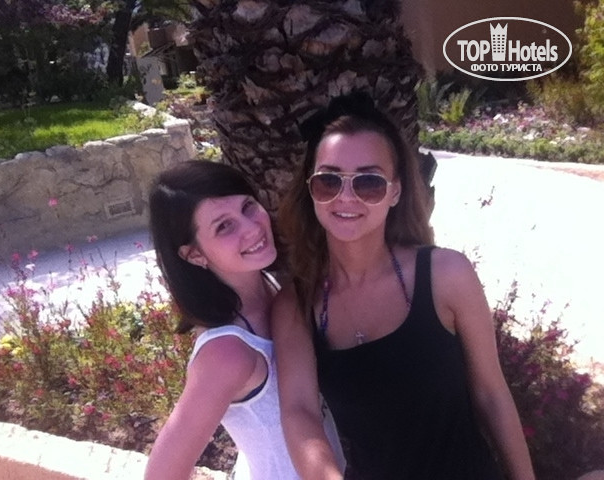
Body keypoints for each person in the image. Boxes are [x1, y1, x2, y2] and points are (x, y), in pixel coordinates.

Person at [273, 92, 535, 480]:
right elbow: (300, 412)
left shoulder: (446, 275)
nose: (346, 197)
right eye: (329, 181)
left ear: (395, 191)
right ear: (311, 188)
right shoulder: (297, 304)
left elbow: (491, 395)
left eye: (368, 182)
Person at [144, 160, 343, 480]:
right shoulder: (227, 354)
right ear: (194, 254)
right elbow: (162, 474)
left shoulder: (274, 287)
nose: (252, 228)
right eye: (224, 226)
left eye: (248, 206)